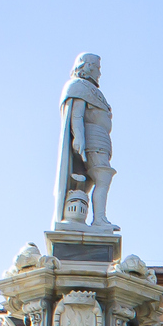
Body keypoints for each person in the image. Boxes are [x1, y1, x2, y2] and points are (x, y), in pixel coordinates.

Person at [55, 54, 114, 229]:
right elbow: (77, 114)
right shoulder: (78, 86)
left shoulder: (91, 90)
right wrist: (79, 138)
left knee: (101, 178)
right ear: (87, 66)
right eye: (98, 68)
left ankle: (99, 219)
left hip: (101, 139)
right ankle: (99, 219)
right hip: (93, 139)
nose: (99, 73)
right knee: (102, 178)